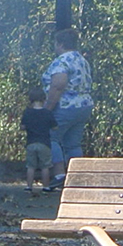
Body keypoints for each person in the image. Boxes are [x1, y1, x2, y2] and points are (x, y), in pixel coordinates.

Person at [39, 27, 92, 190]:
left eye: (55, 43)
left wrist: (47, 109)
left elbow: (58, 85)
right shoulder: (82, 60)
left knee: (51, 137)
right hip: (83, 106)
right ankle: (77, 177)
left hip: (65, 107)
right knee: (73, 143)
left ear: (60, 44)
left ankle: (60, 175)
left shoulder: (62, 61)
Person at [19, 88, 55, 191]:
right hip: (44, 143)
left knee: (30, 166)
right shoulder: (47, 113)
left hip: (31, 143)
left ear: (30, 99)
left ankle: (29, 186)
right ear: (44, 99)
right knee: (45, 166)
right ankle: (46, 186)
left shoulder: (27, 112)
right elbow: (54, 127)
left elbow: (22, 127)